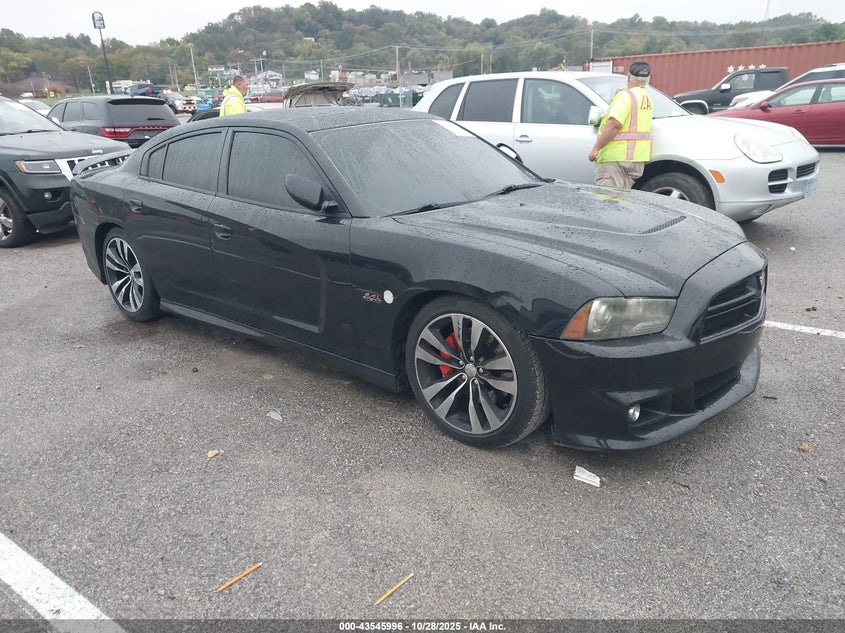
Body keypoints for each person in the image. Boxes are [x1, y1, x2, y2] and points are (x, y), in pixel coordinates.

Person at [588, 60, 654, 189]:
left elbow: (614, 125)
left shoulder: (625, 96)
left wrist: (596, 148)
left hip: (616, 158)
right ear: (648, 79)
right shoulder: (647, 98)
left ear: (629, 76)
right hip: (636, 159)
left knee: (608, 200)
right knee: (621, 201)